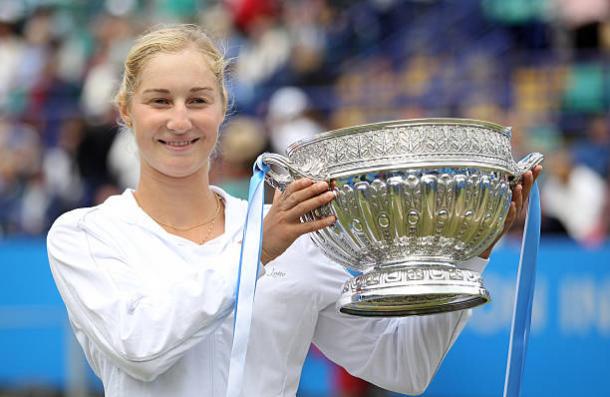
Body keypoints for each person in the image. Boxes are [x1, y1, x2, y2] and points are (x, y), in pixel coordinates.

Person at [46, 24, 541, 397]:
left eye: (198, 100)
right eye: (160, 100)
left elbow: (402, 366)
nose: (180, 119)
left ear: (222, 109)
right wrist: (257, 251)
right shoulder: (86, 234)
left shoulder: (291, 236)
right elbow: (140, 346)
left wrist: (465, 248)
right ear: (126, 110)